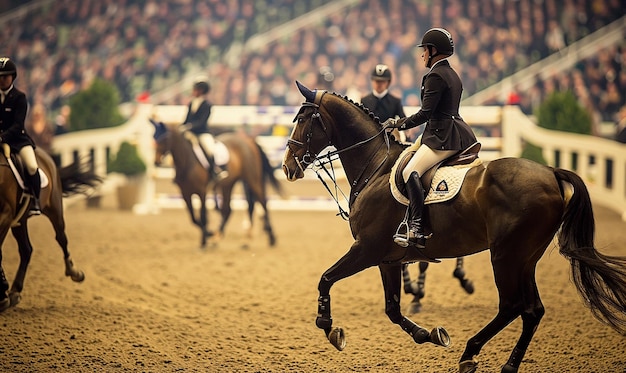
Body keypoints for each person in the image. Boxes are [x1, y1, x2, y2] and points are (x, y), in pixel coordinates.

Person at [383, 28, 477, 248]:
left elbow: (425, 113)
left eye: (425, 50)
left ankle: (416, 225)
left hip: (441, 137)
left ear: (434, 50)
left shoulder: (435, 75)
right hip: (458, 133)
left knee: (409, 171)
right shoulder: (453, 74)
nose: (422, 54)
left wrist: (398, 123)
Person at [0, 57, 42, 215]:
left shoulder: (20, 98)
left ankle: (35, 201)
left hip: (17, 141)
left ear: (12, 77)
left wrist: (2, 137)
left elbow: (18, 126)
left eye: (5, 77)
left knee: (31, 166)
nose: (2, 80)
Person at [180, 78, 227, 179]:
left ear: (201, 90)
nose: (193, 91)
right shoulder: (191, 103)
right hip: (190, 133)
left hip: (202, 133)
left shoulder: (207, 105)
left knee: (209, 149)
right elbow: (186, 119)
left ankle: (215, 169)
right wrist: (182, 127)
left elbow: (202, 122)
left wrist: (190, 126)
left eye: (195, 89)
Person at [361, 64, 406, 141]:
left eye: (382, 81)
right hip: (370, 138)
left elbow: (403, 120)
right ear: (372, 81)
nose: (379, 84)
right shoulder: (365, 101)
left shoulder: (395, 101)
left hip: (390, 138)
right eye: (376, 81)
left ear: (388, 82)